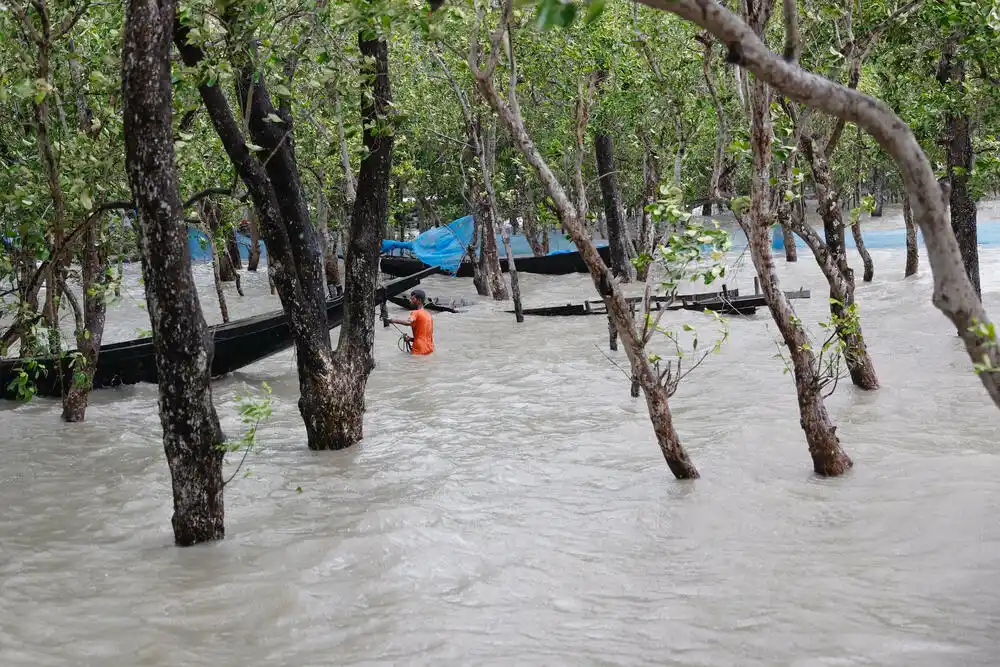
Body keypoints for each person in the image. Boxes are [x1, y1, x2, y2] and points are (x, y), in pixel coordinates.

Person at [385, 289, 434, 355]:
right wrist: (410, 339)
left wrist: (391, 320)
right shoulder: (429, 315)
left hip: (419, 350)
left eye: (412, 299)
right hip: (430, 349)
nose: (410, 301)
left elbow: (409, 322)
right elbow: (424, 337)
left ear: (419, 300)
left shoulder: (415, 313)